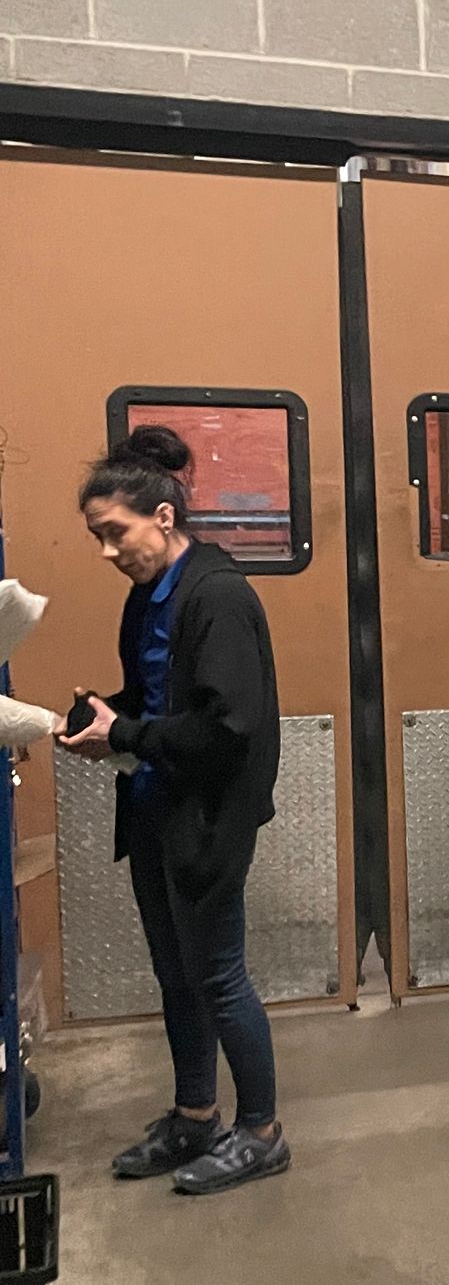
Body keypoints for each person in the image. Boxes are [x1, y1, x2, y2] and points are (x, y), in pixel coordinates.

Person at [60, 426, 289, 1195]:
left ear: (163, 517)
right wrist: (105, 716)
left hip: (208, 817)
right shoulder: (148, 598)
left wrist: (126, 731)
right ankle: (196, 1115)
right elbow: (160, 702)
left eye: (114, 533)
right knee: (176, 974)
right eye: (97, 537)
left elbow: (228, 727)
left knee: (218, 975)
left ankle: (260, 1131)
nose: (107, 551)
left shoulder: (218, 596)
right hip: (156, 808)